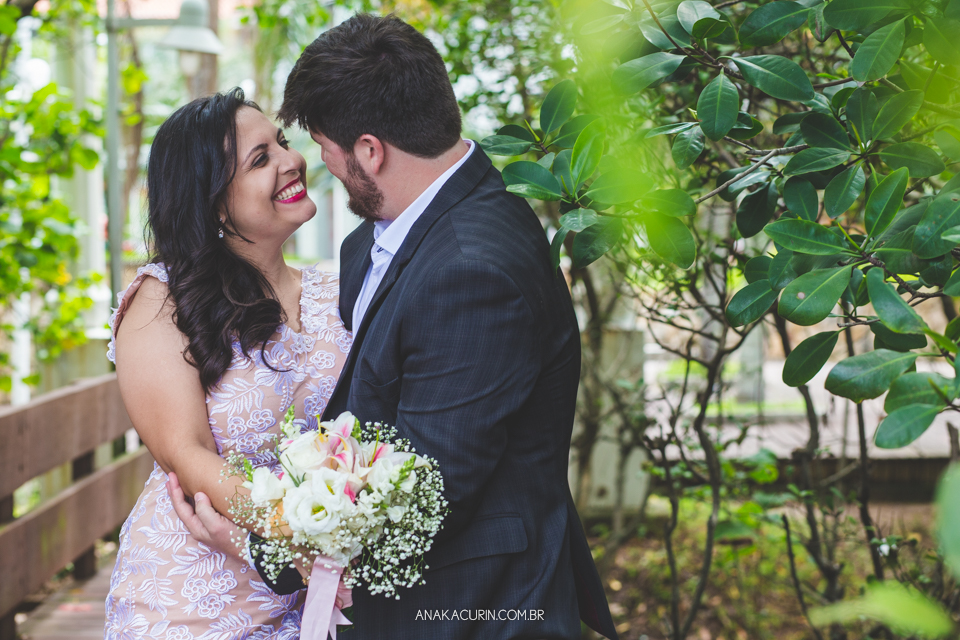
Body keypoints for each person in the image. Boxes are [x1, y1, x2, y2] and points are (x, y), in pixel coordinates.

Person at [169, 13, 619, 640]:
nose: (312, 162)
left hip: (473, 607)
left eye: (323, 146)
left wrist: (255, 546)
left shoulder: (471, 267)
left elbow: (429, 491)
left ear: (370, 151)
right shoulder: (371, 244)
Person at [103, 88, 351, 639]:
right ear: (214, 201)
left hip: (312, 593)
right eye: (261, 159)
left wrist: (325, 546)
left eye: (282, 143)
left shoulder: (335, 291)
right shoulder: (161, 298)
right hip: (195, 597)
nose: (292, 161)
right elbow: (184, 453)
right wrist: (301, 536)